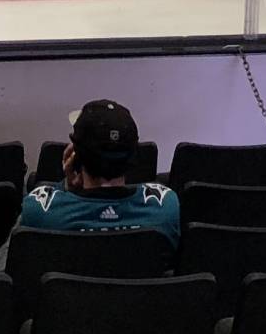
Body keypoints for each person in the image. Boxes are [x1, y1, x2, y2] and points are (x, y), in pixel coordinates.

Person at [16, 100, 180, 246]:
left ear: (74, 156)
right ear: (135, 156)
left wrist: (67, 186)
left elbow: (7, 263)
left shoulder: (39, 209)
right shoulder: (165, 206)